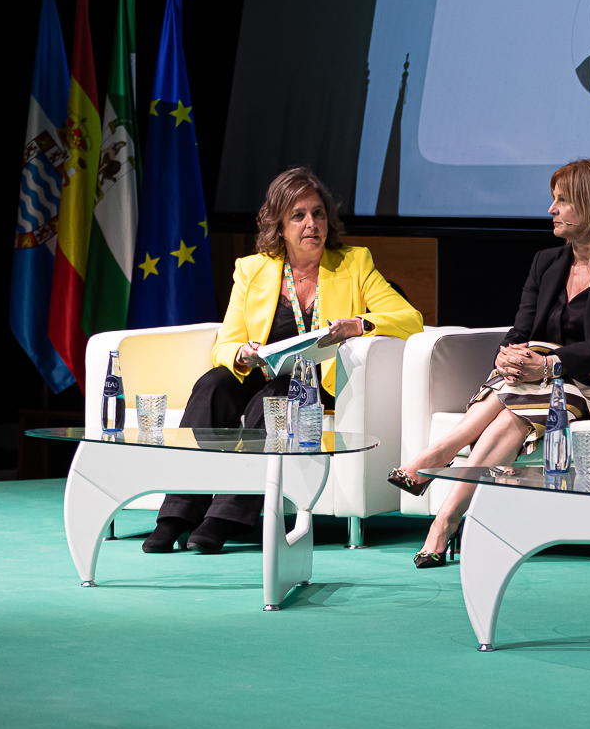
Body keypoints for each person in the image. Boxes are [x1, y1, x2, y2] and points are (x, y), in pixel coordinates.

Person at [390, 159, 590, 567]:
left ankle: (439, 476)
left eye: (562, 201)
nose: (552, 209)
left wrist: (550, 366)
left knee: (515, 407)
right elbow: (521, 328)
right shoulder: (546, 262)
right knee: (513, 403)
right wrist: (507, 354)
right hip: (533, 381)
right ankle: (445, 517)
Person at [143, 168, 422, 556]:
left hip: (317, 383)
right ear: (279, 225)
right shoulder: (252, 269)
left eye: (318, 213)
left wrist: (359, 324)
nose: (312, 224)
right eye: (299, 216)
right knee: (212, 385)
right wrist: (242, 354)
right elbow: (224, 344)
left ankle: (225, 516)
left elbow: (411, 318)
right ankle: (177, 513)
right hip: (263, 371)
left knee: (275, 396)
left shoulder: (354, 263)